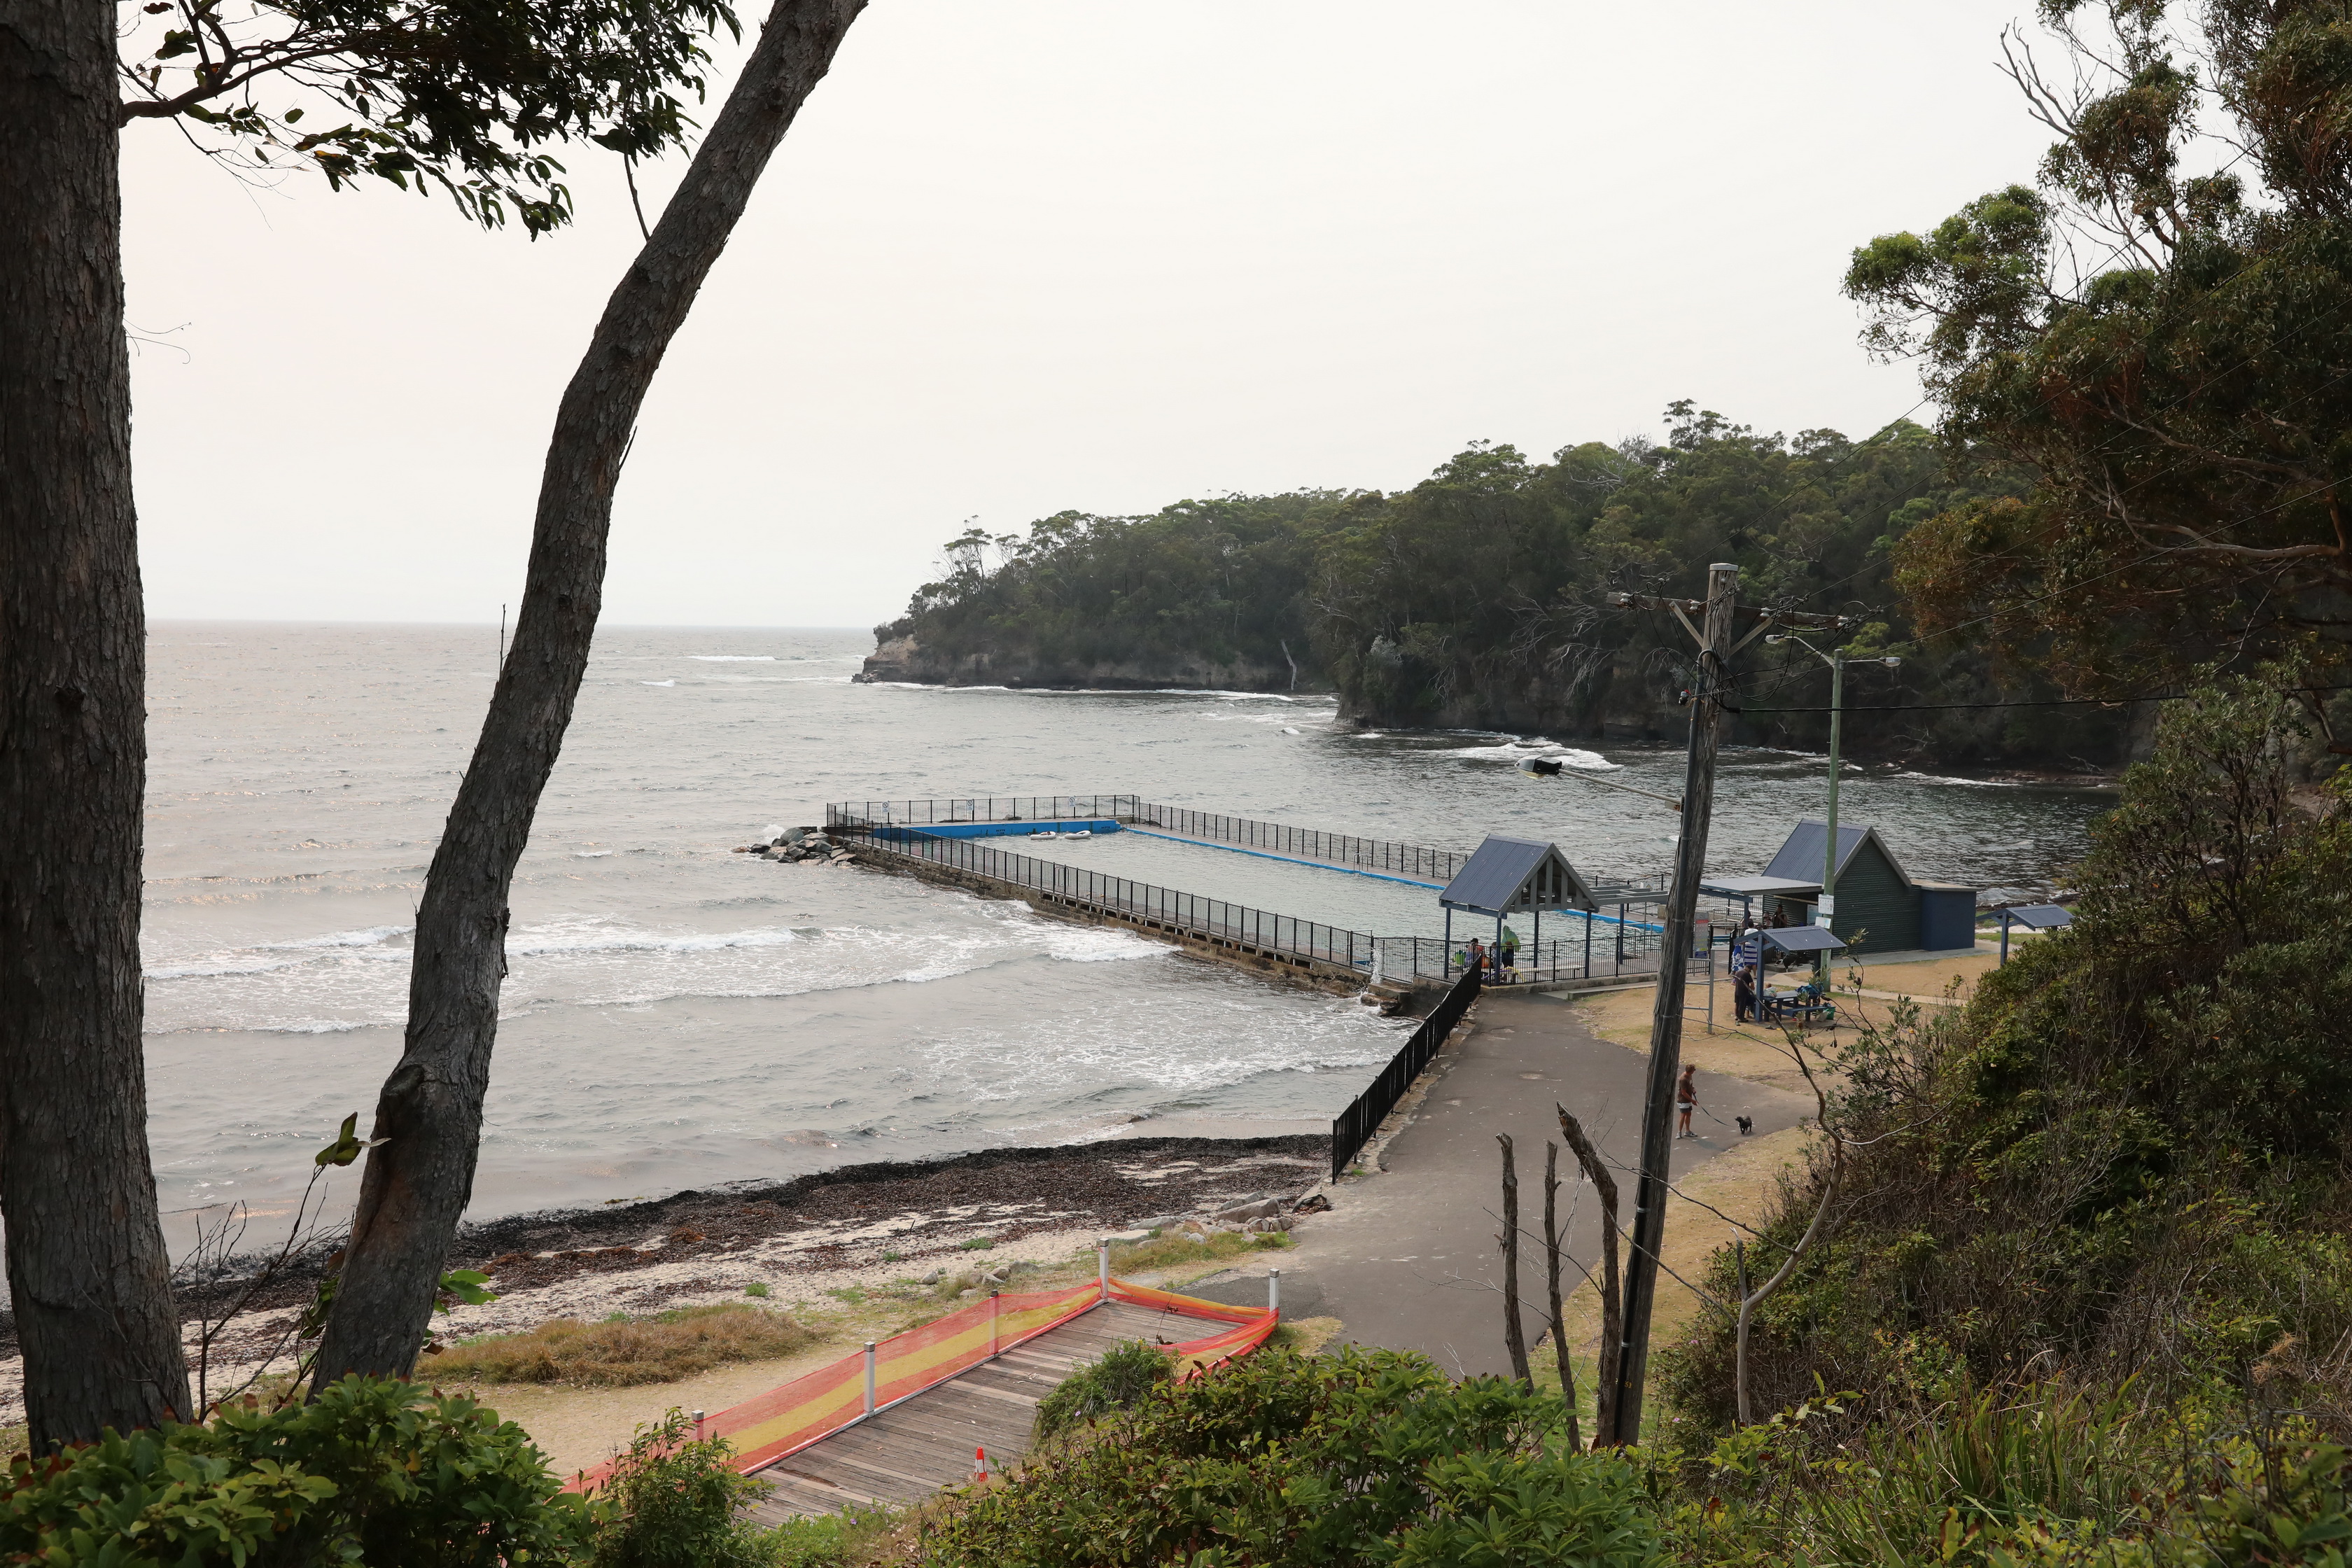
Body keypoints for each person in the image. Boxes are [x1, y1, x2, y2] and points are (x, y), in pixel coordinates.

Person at [1676, 1064, 1699, 1138]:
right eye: (1694, 1070)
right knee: (1683, 1115)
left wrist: (1693, 1089)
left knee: (1689, 1114)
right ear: (1691, 1071)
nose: (1694, 1072)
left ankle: (1688, 1131)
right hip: (1683, 1100)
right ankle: (1679, 1132)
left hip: (1688, 1099)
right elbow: (1683, 1092)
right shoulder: (1683, 1079)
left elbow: (1690, 1085)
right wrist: (1692, 1100)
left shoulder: (1689, 1076)